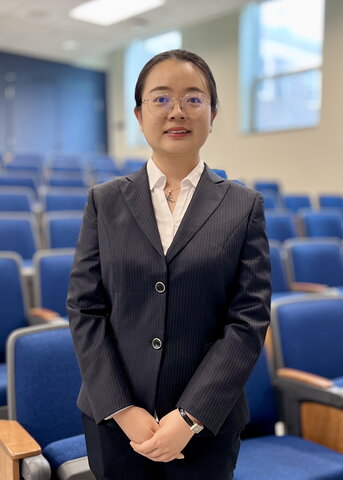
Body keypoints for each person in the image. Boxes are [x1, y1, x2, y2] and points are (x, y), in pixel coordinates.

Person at [67, 49, 271, 480]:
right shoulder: (103, 202)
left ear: (212, 114)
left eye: (193, 99)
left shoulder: (244, 206)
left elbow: (248, 319)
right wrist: (124, 409)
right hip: (115, 424)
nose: (177, 111)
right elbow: (85, 309)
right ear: (139, 115)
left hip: (206, 427)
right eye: (160, 99)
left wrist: (189, 416)